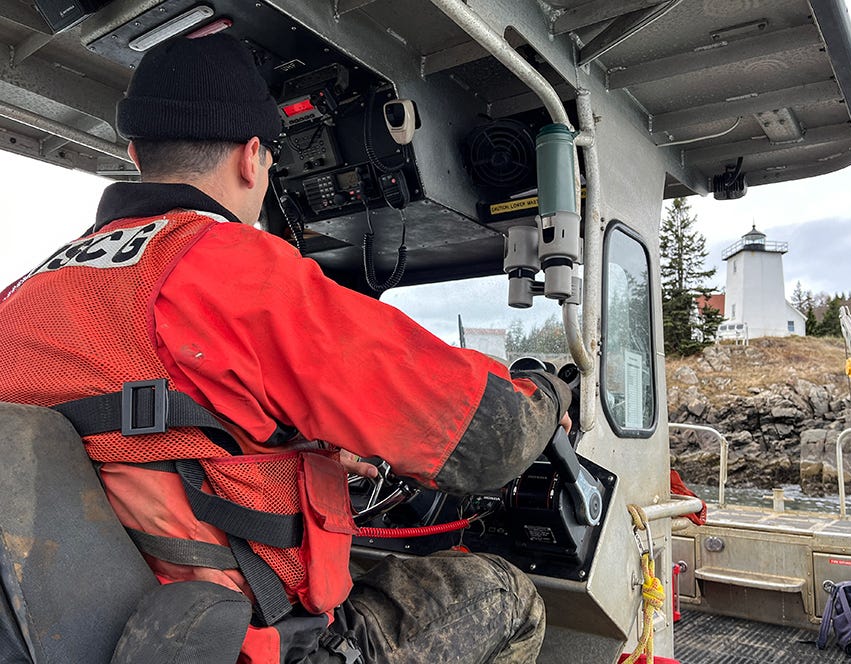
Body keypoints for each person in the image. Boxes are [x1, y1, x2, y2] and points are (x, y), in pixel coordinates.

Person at [0, 34, 571, 663]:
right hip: (252, 643)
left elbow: (155, 432)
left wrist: (307, 446)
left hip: (105, 635)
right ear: (252, 158)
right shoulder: (229, 268)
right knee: (508, 596)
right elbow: (491, 440)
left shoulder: (25, 294)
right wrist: (547, 390)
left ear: (135, 153)